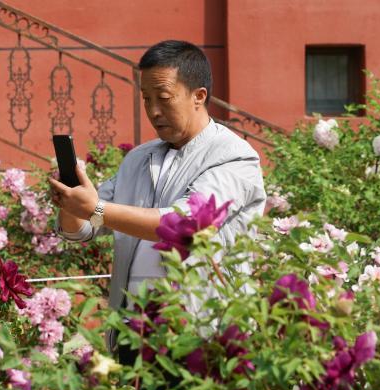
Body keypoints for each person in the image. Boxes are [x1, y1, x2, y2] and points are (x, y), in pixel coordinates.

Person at [49, 40, 266, 355]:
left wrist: (94, 207)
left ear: (199, 96)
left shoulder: (234, 157)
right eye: (146, 98)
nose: (153, 111)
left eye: (163, 98)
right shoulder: (138, 160)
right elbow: (89, 225)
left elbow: (185, 225)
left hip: (203, 342)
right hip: (132, 340)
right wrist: (72, 203)